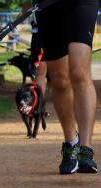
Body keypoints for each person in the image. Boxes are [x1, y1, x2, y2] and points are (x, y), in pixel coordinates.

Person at [36, 0, 98, 174]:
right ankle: (71, 143)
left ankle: (86, 149)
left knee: (79, 72)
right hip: (47, 5)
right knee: (60, 80)